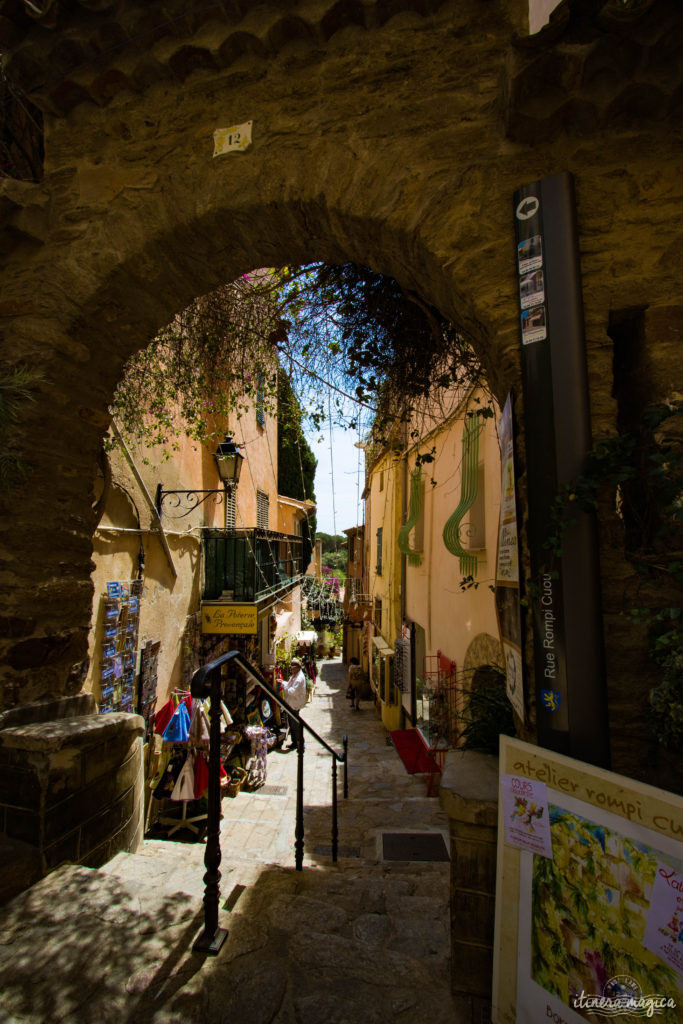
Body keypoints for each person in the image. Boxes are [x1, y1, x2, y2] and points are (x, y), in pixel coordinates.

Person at [282, 657, 307, 748]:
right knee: (292, 724)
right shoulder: (295, 675)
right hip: (291, 704)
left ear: (297, 668)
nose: (290, 668)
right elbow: (289, 686)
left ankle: (299, 742)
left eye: (292, 667)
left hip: (294, 704)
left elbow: (292, 691)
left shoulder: (299, 678)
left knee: (295, 724)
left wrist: (283, 685)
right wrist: (284, 682)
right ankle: (295, 742)